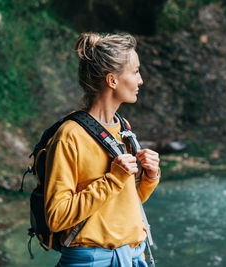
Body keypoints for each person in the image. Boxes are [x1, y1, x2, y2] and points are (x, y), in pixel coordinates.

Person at [44, 32, 160, 267]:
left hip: (133, 256)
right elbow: (56, 217)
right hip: (90, 261)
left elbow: (119, 204)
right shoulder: (69, 136)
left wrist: (149, 178)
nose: (141, 81)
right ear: (112, 80)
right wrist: (113, 179)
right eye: (135, 71)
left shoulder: (123, 128)